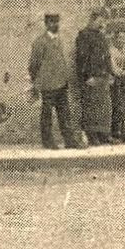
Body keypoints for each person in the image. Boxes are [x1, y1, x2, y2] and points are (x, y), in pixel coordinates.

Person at [27, 14, 83, 149]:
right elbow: (33, 65)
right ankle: (47, 141)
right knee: (47, 114)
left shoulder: (60, 40)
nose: (55, 25)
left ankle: (69, 141)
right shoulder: (40, 42)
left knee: (65, 113)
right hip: (47, 85)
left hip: (61, 83)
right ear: (46, 24)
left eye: (57, 22)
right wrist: (36, 82)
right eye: (52, 22)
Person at [74, 9, 114, 145]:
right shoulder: (84, 35)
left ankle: (103, 133)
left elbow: (107, 57)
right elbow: (82, 58)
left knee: (104, 106)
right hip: (91, 77)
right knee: (91, 106)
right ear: (94, 19)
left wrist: (110, 73)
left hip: (103, 76)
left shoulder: (101, 36)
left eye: (104, 21)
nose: (103, 23)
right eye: (101, 20)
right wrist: (86, 76)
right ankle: (92, 135)